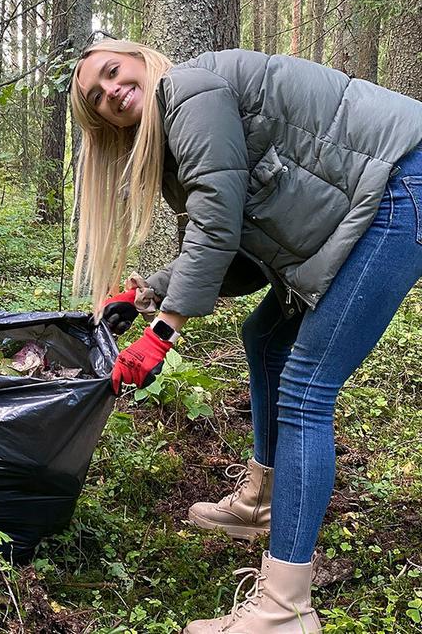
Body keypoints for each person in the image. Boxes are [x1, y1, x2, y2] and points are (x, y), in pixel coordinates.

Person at [70, 39, 422, 633]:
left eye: (113, 72)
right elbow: (233, 244)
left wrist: (162, 332)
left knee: (307, 384)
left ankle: (285, 610)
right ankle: (262, 501)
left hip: (402, 181)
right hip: (383, 190)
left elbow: (215, 220)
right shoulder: (180, 128)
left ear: (139, 59)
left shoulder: (186, 90)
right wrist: (150, 290)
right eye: (98, 98)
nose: (112, 91)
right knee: (265, 337)